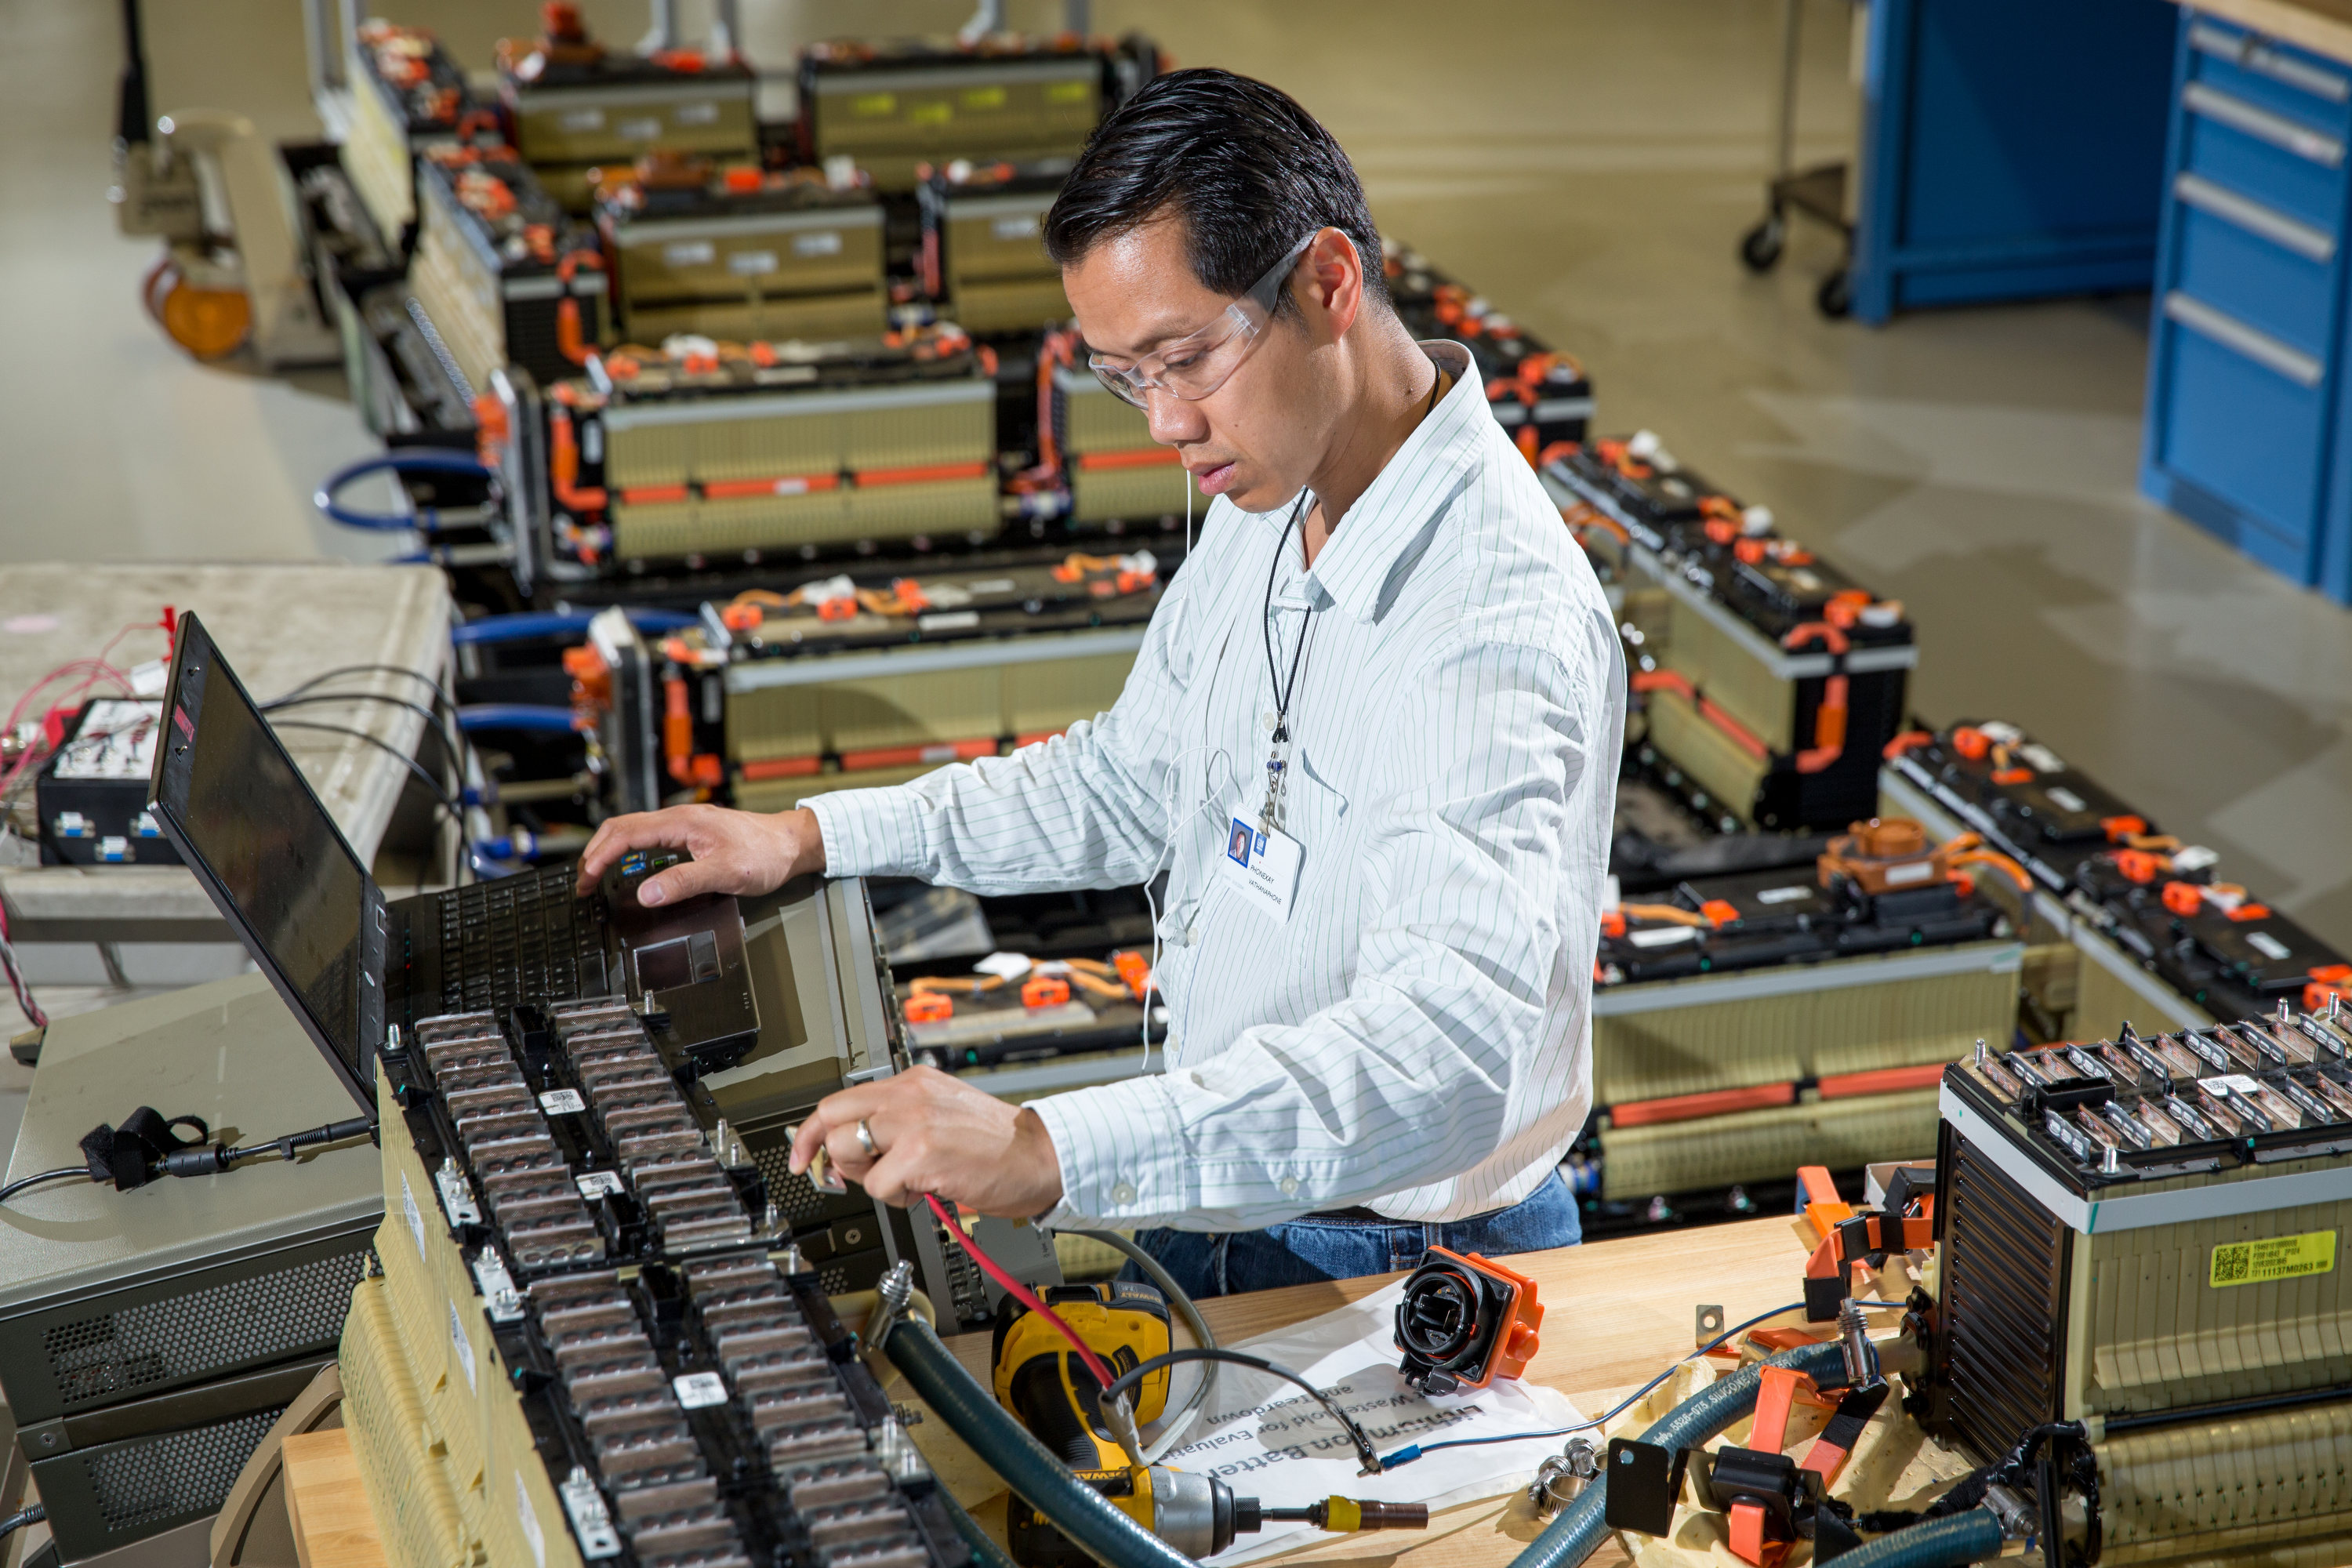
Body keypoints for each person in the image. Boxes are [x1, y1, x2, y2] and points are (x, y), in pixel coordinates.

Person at [575, 67, 1625, 1297]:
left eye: (1184, 357)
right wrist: (808, 838)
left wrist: (1044, 1146)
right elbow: (1135, 780)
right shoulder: (1277, 477)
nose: (1166, 424)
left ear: (1329, 283)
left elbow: (1444, 1061)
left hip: (1391, 1270)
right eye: (1127, 375)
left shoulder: (1488, 619)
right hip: (1230, 1197)